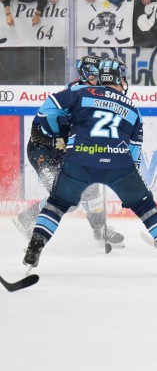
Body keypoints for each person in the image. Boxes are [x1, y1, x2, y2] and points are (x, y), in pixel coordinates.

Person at [23, 58, 157, 272]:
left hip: (80, 160)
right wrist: (133, 186)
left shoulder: (80, 93)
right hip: (119, 165)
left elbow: (48, 109)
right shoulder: (132, 108)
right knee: (146, 207)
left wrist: (56, 133)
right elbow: (135, 152)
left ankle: (34, 248)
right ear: (120, 79)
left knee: (57, 204)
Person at [14, 55, 126, 248]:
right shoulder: (75, 92)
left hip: (67, 152)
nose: (97, 81)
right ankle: (28, 219)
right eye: (92, 77)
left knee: (91, 187)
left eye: (99, 77)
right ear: (83, 75)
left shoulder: (99, 94)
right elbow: (45, 115)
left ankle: (99, 231)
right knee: (68, 198)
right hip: (44, 150)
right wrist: (57, 135)